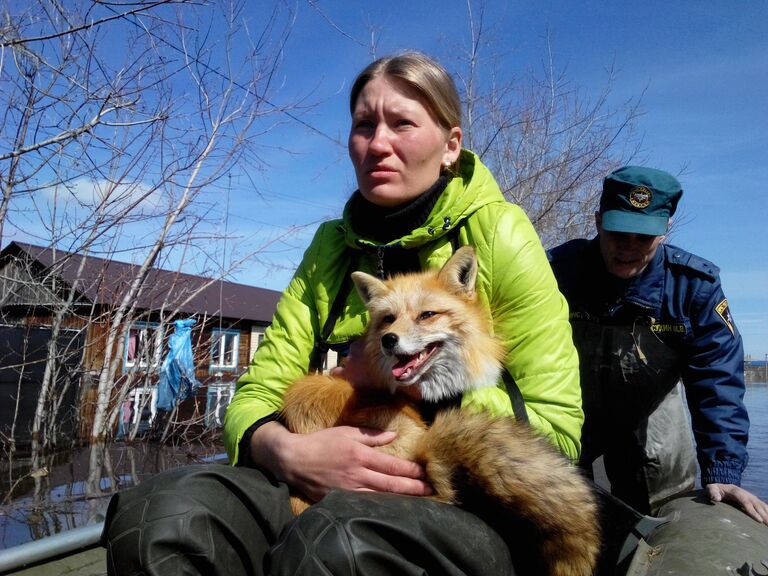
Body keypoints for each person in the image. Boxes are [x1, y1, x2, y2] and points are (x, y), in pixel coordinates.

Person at [102, 52, 583, 575]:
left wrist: (400, 382)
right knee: (160, 515)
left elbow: (557, 431)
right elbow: (259, 391)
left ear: (450, 146)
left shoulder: (499, 234)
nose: (378, 143)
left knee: (340, 541)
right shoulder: (331, 247)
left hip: (449, 499)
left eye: (402, 123)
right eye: (364, 125)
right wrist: (282, 451)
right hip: (308, 477)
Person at [548, 165, 768, 525]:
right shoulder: (555, 272)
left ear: (665, 231)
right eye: (619, 232)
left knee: (664, 503)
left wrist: (723, 470)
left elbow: (717, 383)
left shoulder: (695, 287)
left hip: (652, 408)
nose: (628, 248)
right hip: (570, 405)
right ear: (598, 221)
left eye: (643, 237)